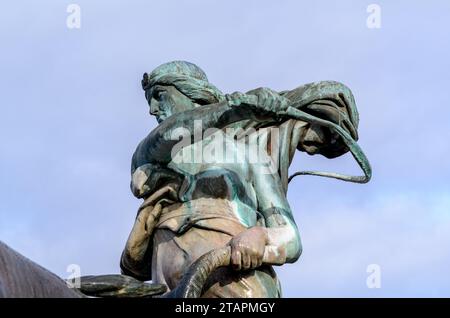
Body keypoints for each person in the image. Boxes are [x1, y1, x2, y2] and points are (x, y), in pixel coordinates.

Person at [120, 61, 368, 297]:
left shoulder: (248, 154)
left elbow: (291, 238)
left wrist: (260, 237)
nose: (152, 109)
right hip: (167, 283)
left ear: (191, 92)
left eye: (159, 95)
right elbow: (171, 132)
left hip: (234, 279)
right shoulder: (153, 153)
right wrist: (232, 110)